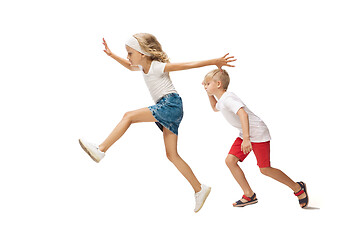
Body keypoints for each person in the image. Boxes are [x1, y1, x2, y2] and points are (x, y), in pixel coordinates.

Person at [79, 33, 236, 212]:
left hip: (170, 104)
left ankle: (101, 149)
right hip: (171, 107)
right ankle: (199, 188)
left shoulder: (157, 67)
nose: (128, 57)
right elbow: (130, 68)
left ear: (142, 53)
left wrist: (214, 60)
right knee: (172, 155)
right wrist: (111, 54)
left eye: (130, 53)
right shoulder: (142, 67)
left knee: (128, 116)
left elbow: (185, 65)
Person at [202, 69, 309, 208]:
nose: (205, 85)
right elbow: (215, 108)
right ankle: (249, 194)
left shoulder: (228, 98)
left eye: (208, 83)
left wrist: (246, 139)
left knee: (265, 169)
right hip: (245, 133)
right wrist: (207, 92)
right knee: (230, 161)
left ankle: (297, 188)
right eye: (205, 84)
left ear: (218, 84)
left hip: (257, 133)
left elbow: (243, 115)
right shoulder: (222, 100)